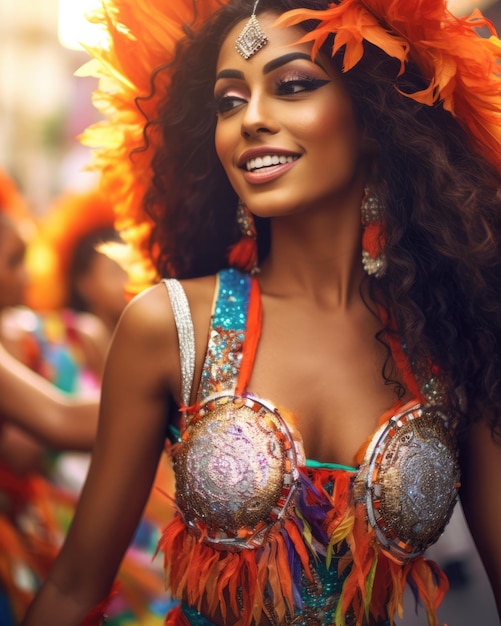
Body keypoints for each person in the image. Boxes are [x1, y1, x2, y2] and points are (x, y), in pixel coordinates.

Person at [22, 0, 501, 624]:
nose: (250, 120)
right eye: (228, 101)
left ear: (377, 121)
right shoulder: (170, 327)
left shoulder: (451, 334)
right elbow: (72, 590)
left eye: (293, 86)